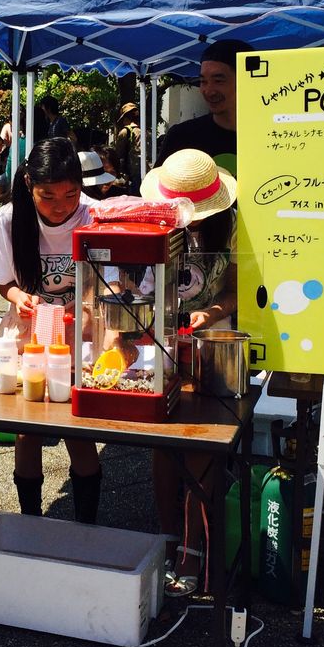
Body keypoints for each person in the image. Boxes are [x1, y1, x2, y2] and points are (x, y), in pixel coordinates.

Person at [0, 138, 102, 523]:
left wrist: (87, 302)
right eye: (47, 196)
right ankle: (30, 519)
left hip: (79, 333)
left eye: (70, 195)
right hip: (28, 333)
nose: (60, 207)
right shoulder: (8, 218)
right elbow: (3, 281)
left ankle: (86, 525)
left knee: (77, 428)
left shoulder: (95, 216)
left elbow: (111, 279)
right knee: (27, 428)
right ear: (29, 184)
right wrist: (18, 296)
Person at [137, 149, 237, 596]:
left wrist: (211, 313)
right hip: (164, 340)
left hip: (213, 343)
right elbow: (142, 285)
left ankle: (193, 547)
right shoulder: (157, 223)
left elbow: (235, 290)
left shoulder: (232, 227)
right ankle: (167, 533)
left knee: (200, 440)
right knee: (163, 438)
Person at [156, 39, 247, 176]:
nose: (209, 91)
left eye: (218, 81)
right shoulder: (182, 137)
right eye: (203, 81)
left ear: (244, 80)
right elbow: (156, 187)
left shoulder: (269, 135)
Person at [113, 102, 142, 191]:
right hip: (147, 172)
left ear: (125, 118)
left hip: (132, 175)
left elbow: (118, 155)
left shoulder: (125, 132)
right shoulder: (145, 131)